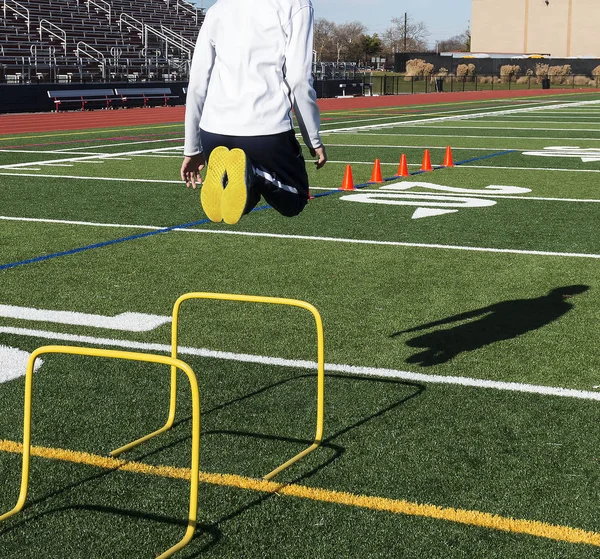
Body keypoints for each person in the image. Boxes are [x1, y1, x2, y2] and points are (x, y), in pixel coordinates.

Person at [180, 0, 327, 225]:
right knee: (295, 201)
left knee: (235, 203)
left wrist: (192, 148)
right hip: (265, 129)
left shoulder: (218, 8)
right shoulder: (295, 4)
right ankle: (255, 173)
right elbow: (298, 78)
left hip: (213, 132)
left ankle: (242, 178)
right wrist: (313, 139)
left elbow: (198, 82)